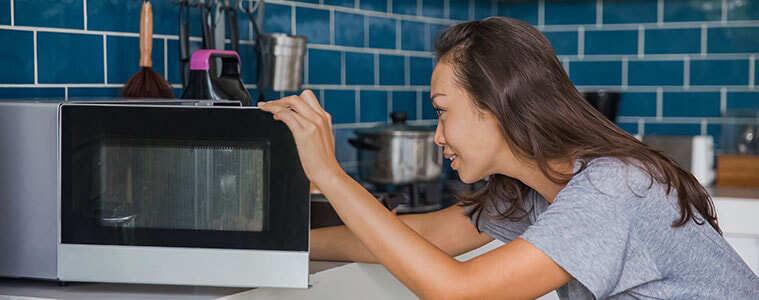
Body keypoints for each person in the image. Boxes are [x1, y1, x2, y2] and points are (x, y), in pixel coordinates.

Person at [258, 17, 759, 299]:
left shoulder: (611, 189)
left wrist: (329, 173)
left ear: (495, 106)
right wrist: (271, 243)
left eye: (442, 112)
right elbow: (423, 237)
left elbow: (458, 292)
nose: (437, 137)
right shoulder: (537, 192)